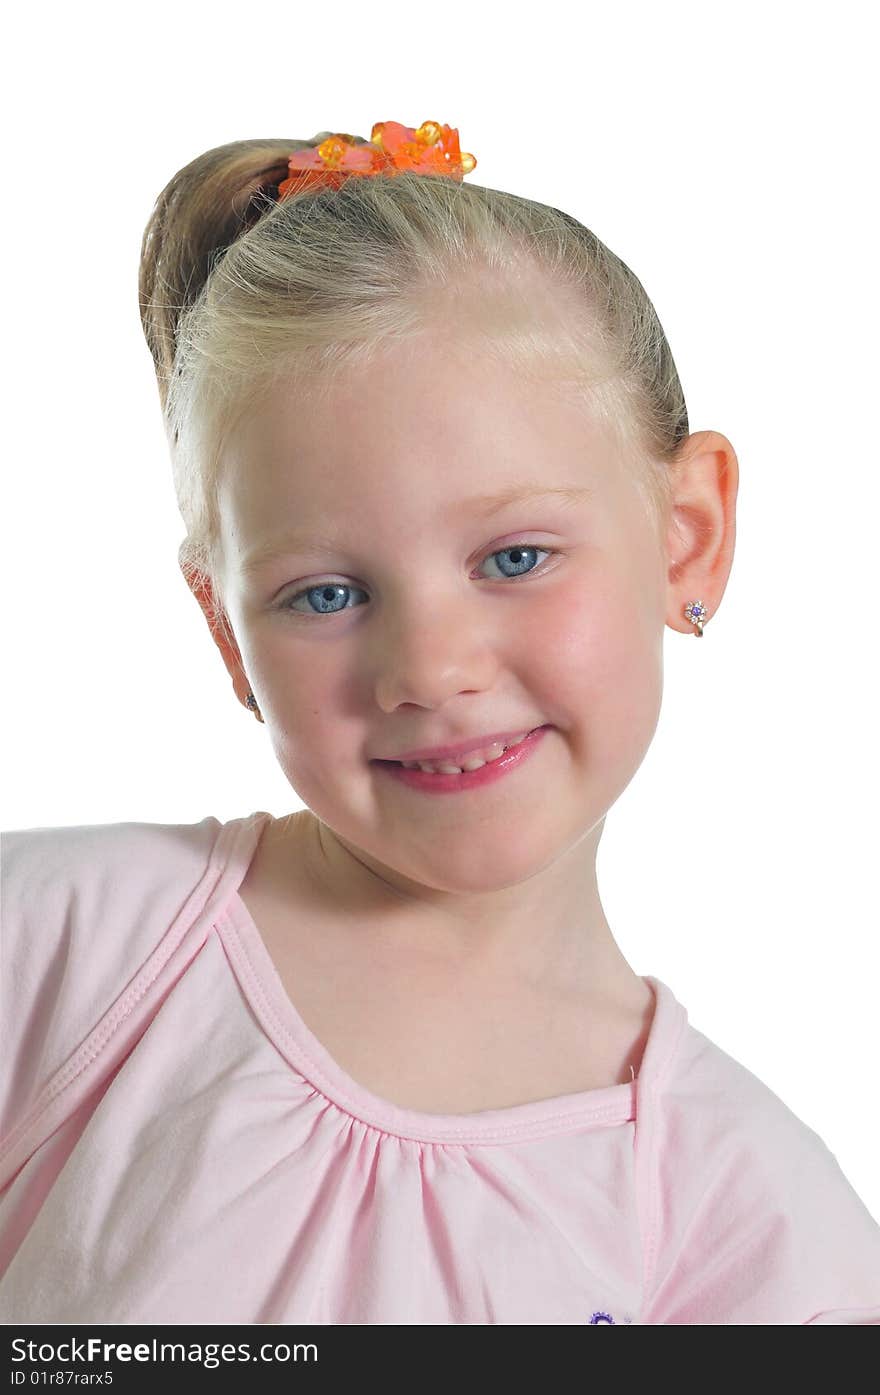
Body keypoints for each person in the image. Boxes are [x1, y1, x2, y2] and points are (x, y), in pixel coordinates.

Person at [1, 119, 878, 1326]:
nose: (427, 667)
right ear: (225, 632)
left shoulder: (756, 1227)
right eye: (325, 593)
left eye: (514, 556)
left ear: (689, 536)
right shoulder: (57, 950)